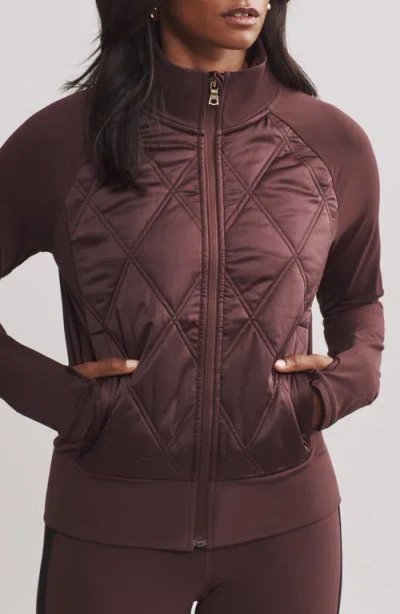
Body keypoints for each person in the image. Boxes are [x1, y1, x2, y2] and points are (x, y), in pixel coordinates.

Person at [0, 1, 384, 613]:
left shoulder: (330, 143)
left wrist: (340, 387)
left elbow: (357, 299)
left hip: (288, 534)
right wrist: (68, 404)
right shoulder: (67, 142)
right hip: (109, 530)